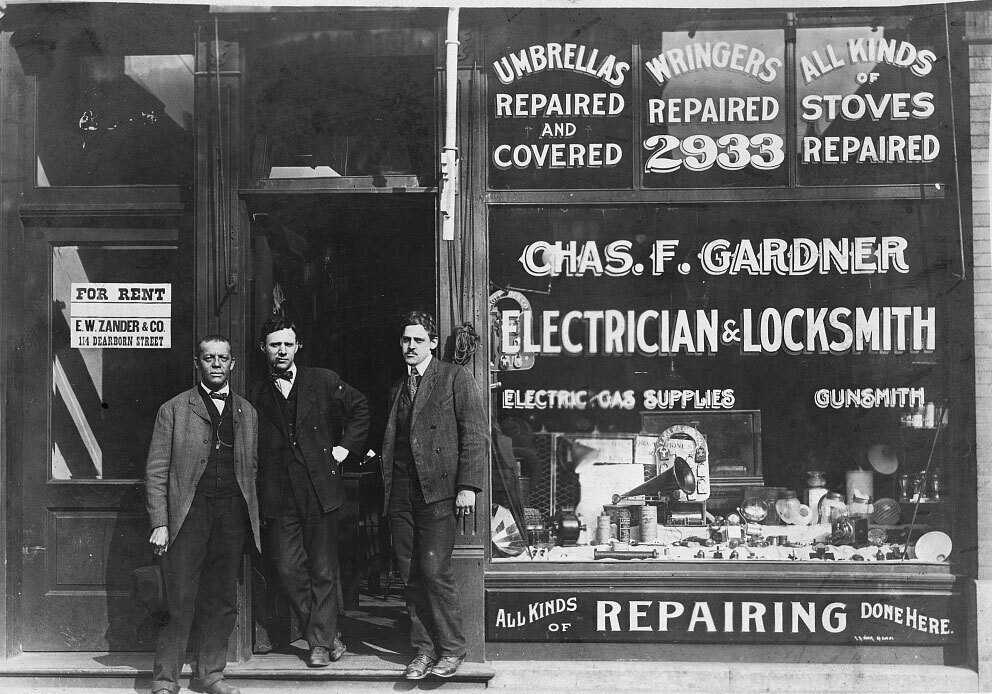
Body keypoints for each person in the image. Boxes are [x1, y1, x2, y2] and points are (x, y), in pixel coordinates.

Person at [251, 316, 370, 667]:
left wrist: (343, 449)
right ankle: (327, 634)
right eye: (275, 345)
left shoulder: (323, 380)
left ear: (298, 346)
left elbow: (360, 407)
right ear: (264, 349)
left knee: (322, 569)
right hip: (278, 494)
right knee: (288, 568)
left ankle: (318, 642)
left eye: (288, 344)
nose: (282, 351)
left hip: (320, 490)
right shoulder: (255, 392)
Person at [146, 335, 260, 694]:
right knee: (178, 598)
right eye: (208, 358)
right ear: (197, 363)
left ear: (232, 364)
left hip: (230, 515)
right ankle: (165, 680)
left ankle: (211, 674)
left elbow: (252, 468)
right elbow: (156, 470)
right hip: (188, 515)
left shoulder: (247, 411)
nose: (215, 364)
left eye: (222, 358)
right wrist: (160, 523)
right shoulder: (175, 409)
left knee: (221, 598)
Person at [381, 311, 487, 680]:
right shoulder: (397, 387)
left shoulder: (454, 378)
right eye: (405, 340)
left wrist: (467, 487)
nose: (410, 347)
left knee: (433, 570)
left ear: (431, 343)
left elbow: (474, 435)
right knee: (410, 574)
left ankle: (453, 648)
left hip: (440, 492)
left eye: (417, 340)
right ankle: (423, 651)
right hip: (402, 492)